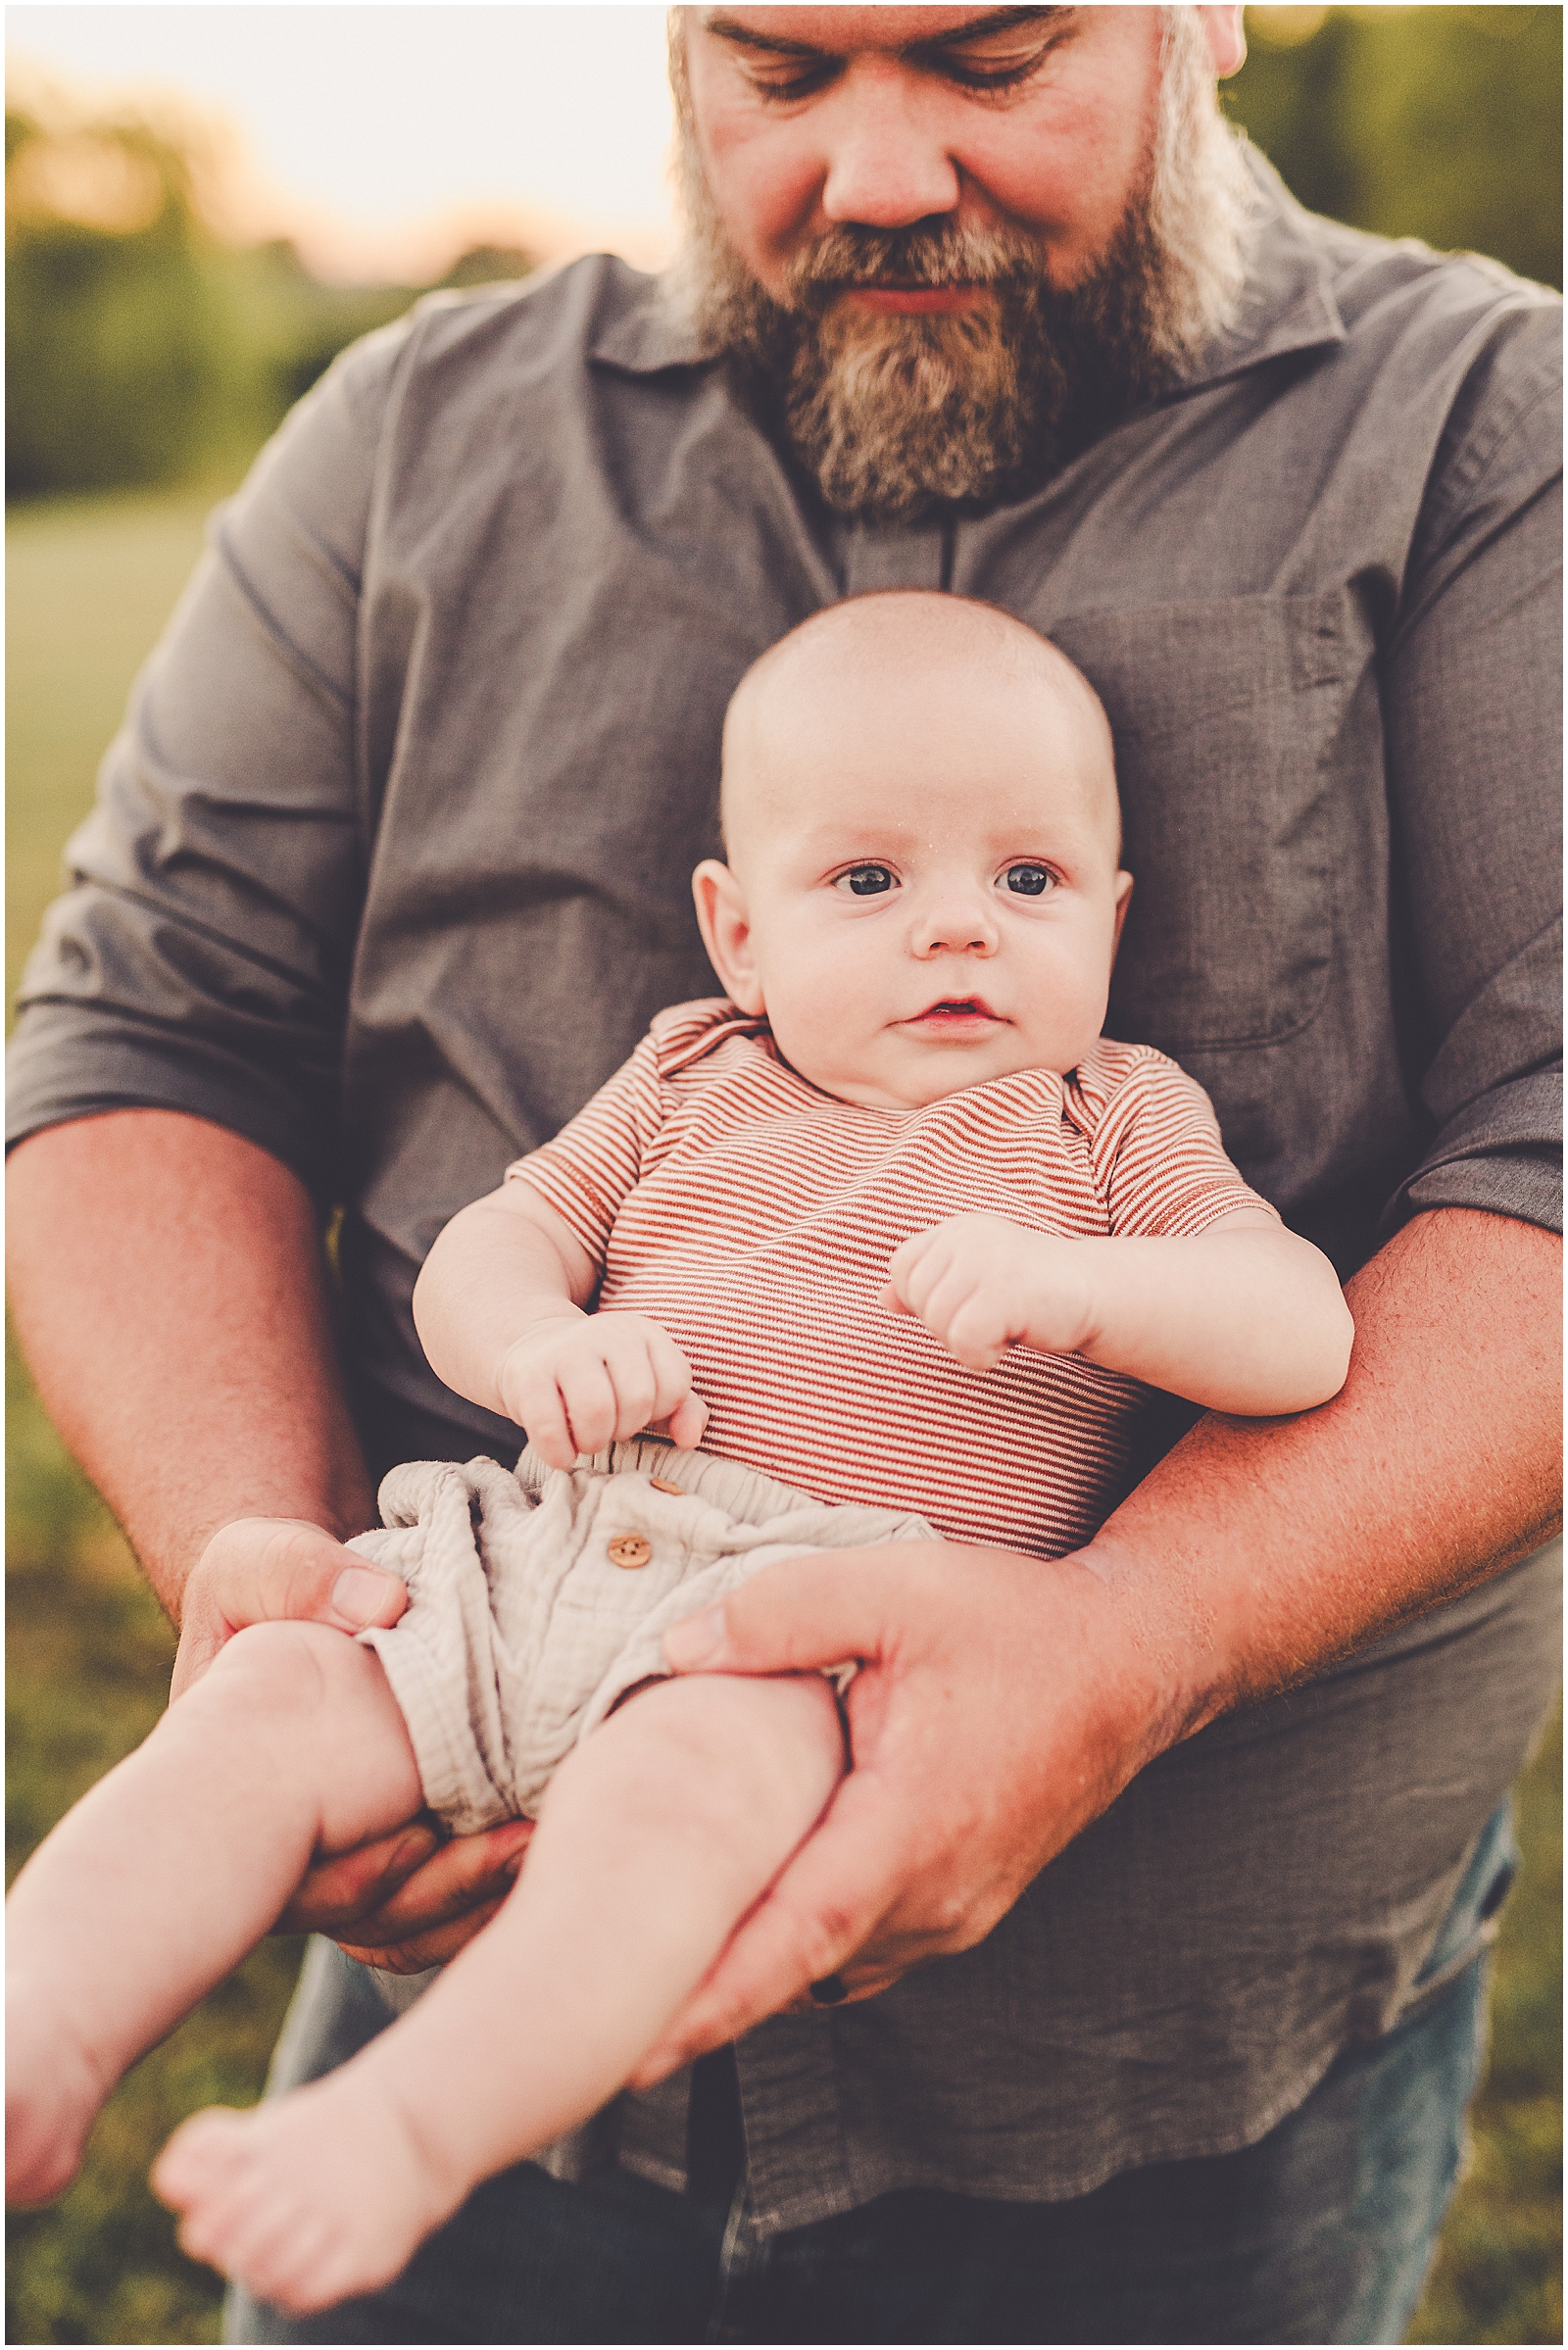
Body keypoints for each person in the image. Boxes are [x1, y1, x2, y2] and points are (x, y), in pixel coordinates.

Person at [5, 6, 1558, 2342]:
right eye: (778, 69)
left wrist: (1123, 1644)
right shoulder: (412, 441)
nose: (876, 166)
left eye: (990, 57)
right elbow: (149, 1036)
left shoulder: (1482, 437)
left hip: (1161, 2087)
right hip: (486, 1720)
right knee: (244, 1747)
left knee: (686, 1787)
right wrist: (272, 1550)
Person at [5, 600, 1354, 2317]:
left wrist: (1092, 1290)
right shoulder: (686, 1074)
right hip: (530, 1549)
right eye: (869, 883)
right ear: (737, 933)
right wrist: (539, 1347)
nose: (958, 928)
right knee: (269, 1697)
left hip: (802, 1626)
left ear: (1112, 912)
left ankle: (407, 2130)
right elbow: (496, 1251)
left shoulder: (1114, 1117)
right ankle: (42, 2015)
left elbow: (1297, 1327)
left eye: (1029, 881)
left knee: (664, 1822)